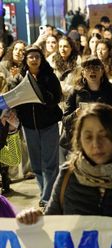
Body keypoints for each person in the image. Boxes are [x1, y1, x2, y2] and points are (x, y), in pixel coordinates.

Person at [15, 45, 63, 207]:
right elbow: (15, 101)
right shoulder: (19, 78)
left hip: (48, 125)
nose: (34, 59)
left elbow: (56, 98)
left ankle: (46, 198)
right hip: (29, 126)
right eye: (31, 57)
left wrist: (37, 87)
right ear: (26, 60)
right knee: (36, 165)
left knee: (50, 164)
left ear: (41, 59)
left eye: (37, 56)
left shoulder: (49, 77)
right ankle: (45, 193)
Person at [60, 57, 112, 159]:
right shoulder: (75, 92)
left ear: (102, 71)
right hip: (80, 143)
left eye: (96, 67)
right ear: (83, 73)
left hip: (107, 141)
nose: (92, 71)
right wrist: (75, 114)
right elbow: (65, 120)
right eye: (88, 68)